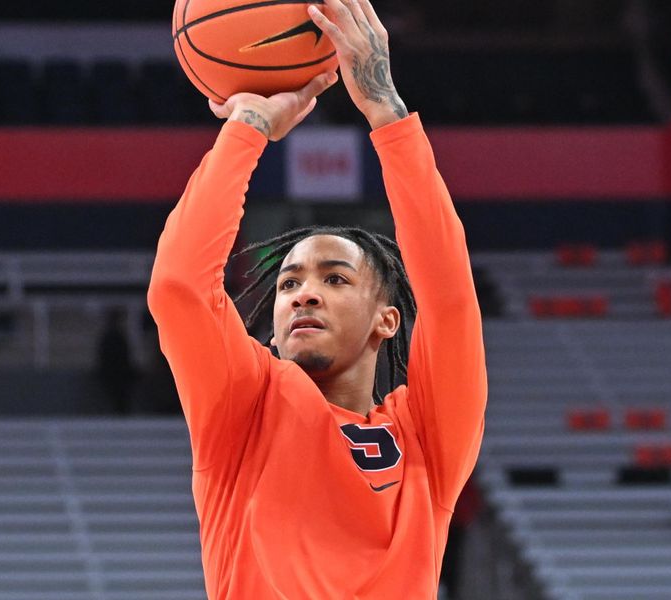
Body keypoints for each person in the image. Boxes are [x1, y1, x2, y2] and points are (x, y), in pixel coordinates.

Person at [148, 0, 487, 597]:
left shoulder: (426, 436)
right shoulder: (244, 408)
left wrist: (386, 111)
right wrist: (246, 125)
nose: (304, 293)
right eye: (288, 283)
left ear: (388, 319)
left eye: (335, 279)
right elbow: (180, 288)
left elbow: (451, 302)